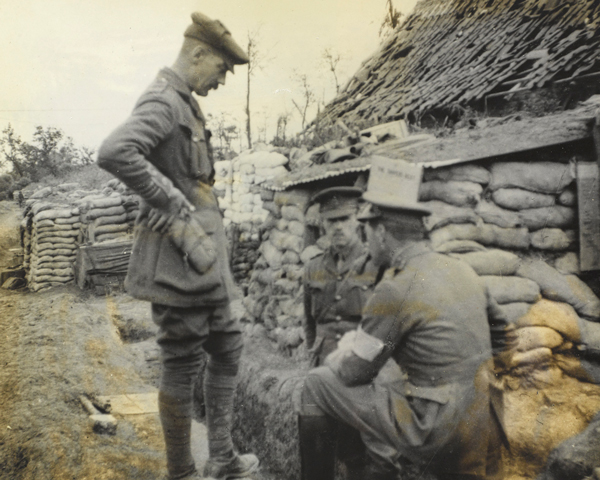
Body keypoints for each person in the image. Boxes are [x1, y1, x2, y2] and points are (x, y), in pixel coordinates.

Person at [97, 12, 258, 480]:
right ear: (198, 53)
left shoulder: (187, 103)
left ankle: (222, 457)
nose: (223, 78)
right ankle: (182, 470)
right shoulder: (165, 100)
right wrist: (166, 197)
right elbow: (114, 151)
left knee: (229, 345)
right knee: (182, 361)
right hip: (179, 259)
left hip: (208, 259)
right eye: (222, 69)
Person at [297, 159, 500, 480]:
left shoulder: (394, 286)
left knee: (316, 384)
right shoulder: (463, 268)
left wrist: (343, 358)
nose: (363, 237)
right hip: (482, 420)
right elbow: (503, 334)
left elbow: (354, 372)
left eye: (363, 228)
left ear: (379, 233)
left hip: (430, 426)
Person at [303, 186, 379, 367]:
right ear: (323, 224)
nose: (338, 227)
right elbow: (309, 321)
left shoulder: (375, 265)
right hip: (324, 361)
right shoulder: (313, 267)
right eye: (331, 221)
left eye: (344, 219)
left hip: (361, 363)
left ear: (357, 220)